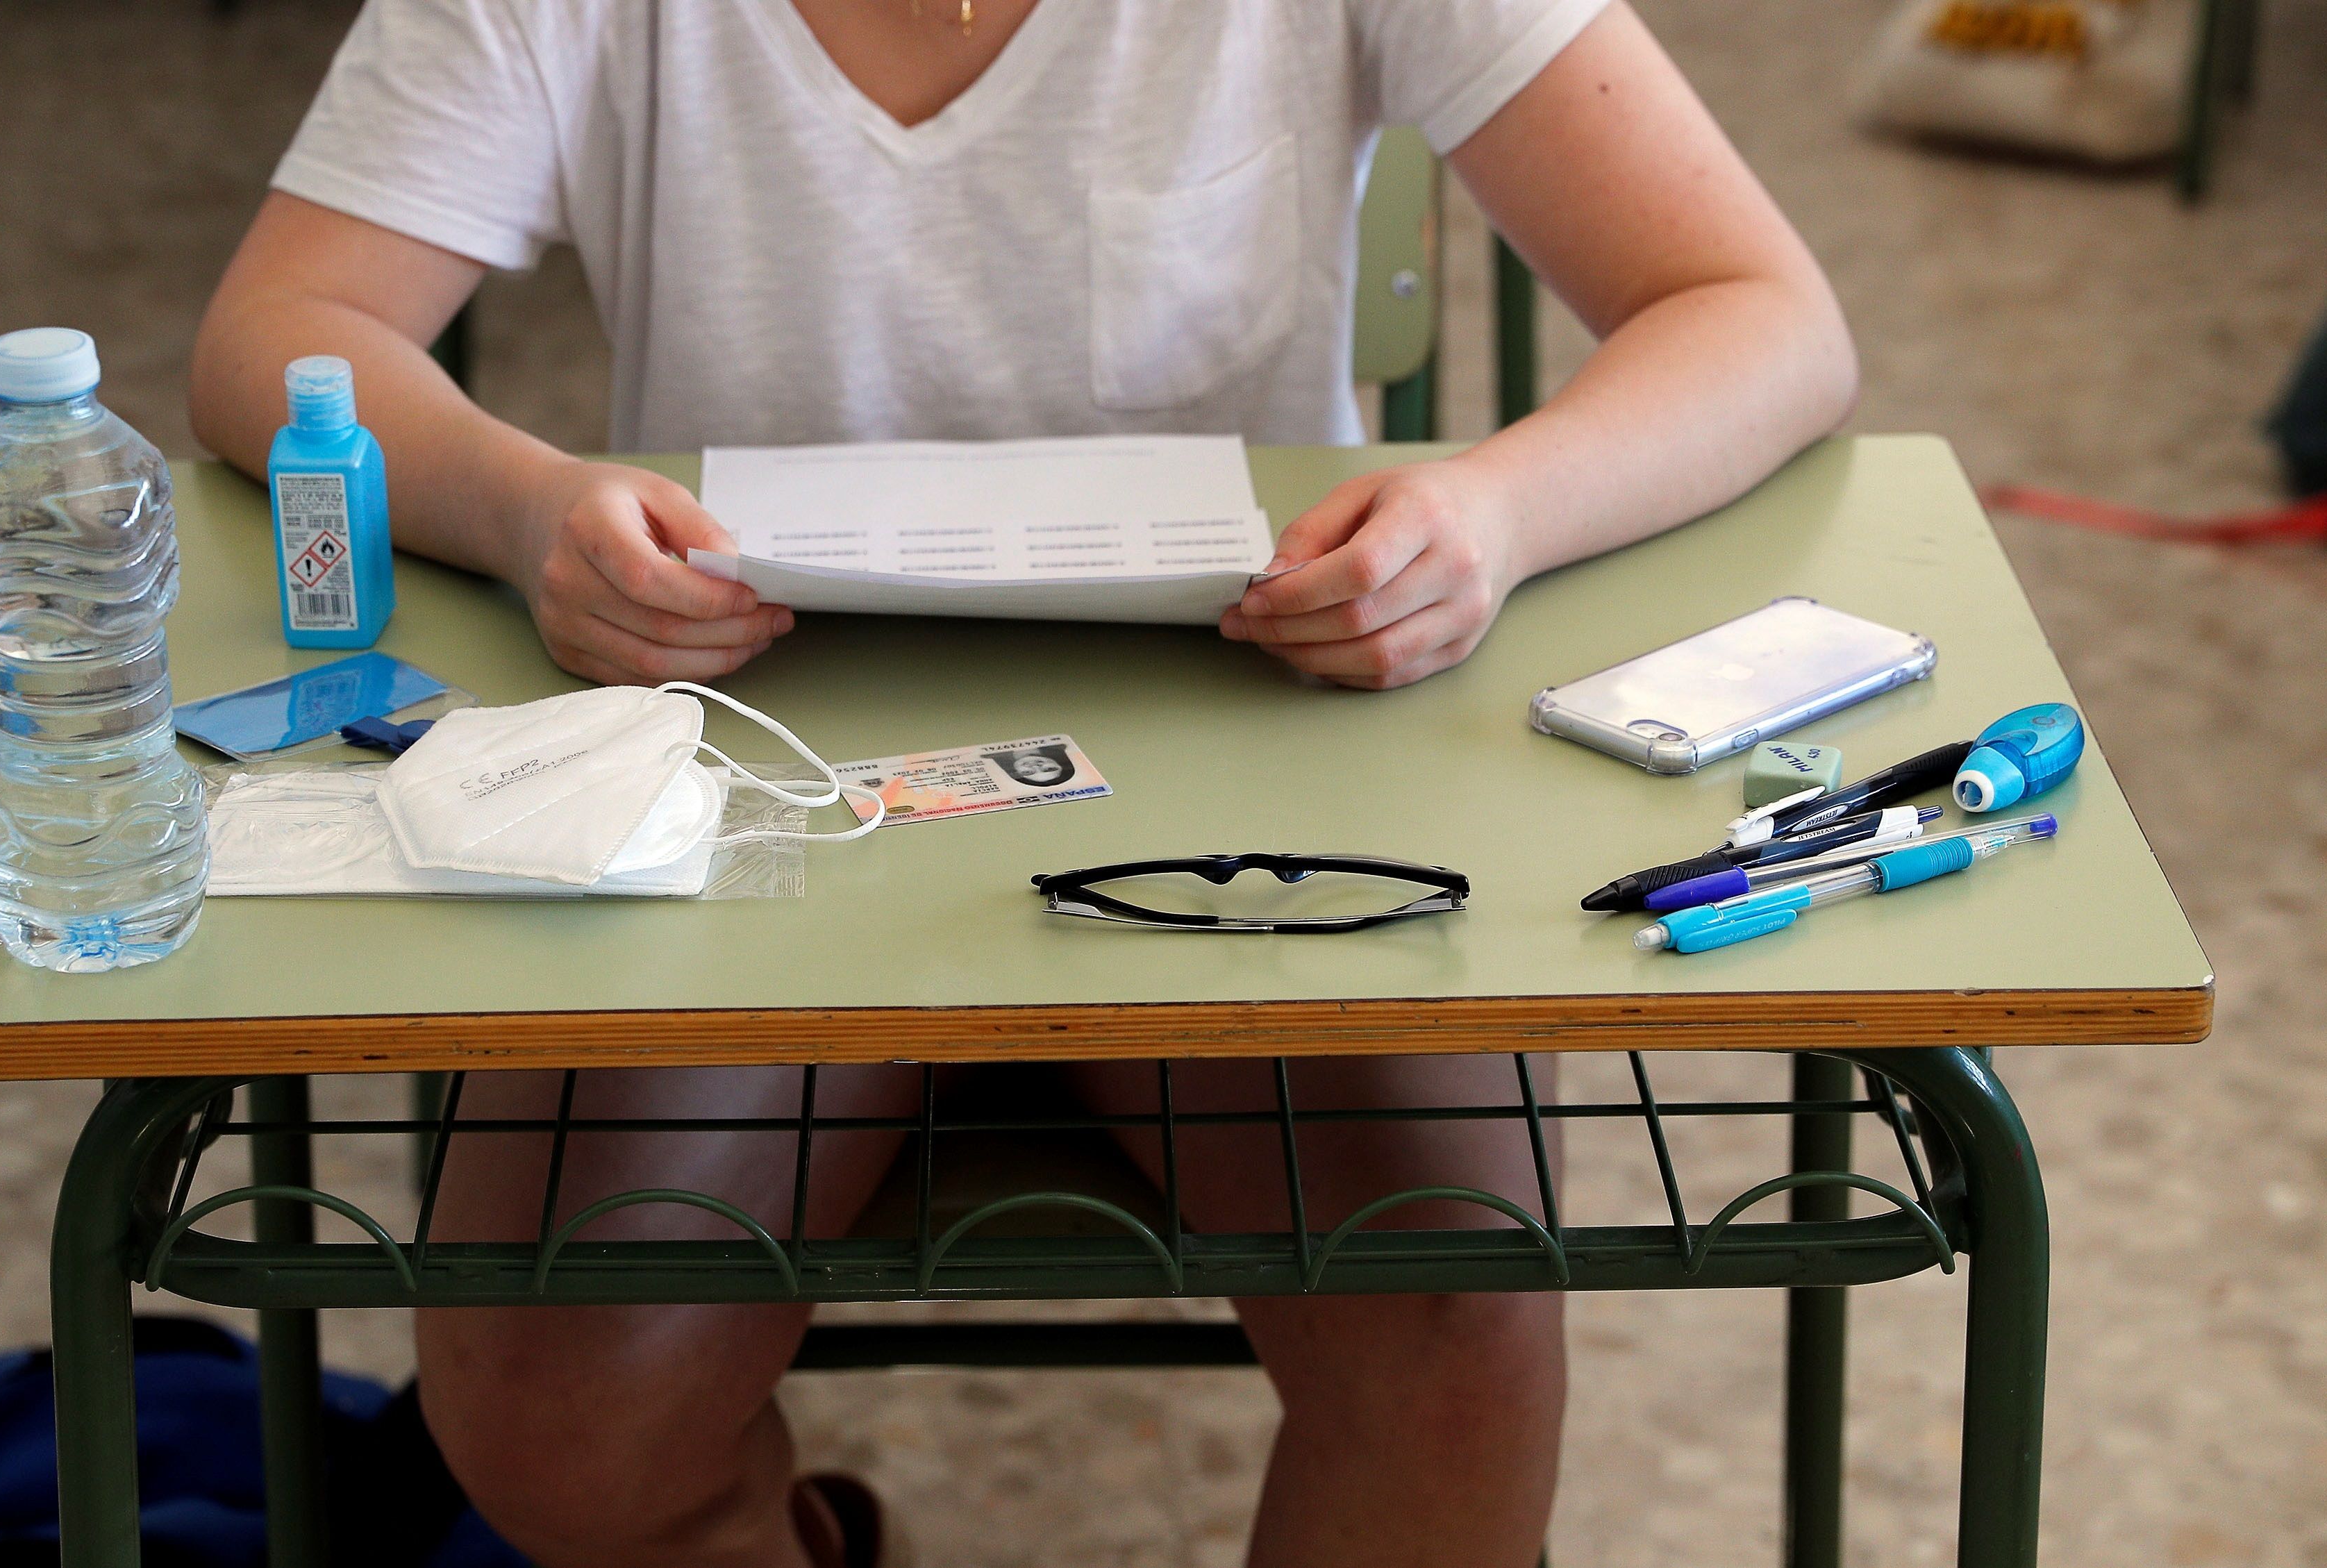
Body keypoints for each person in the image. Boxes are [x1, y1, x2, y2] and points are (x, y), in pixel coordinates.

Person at [189, 2, 1857, 1563]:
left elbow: (1757, 313)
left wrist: (1495, 509)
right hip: (762, 785)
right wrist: (524, 505)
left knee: (1455, 1338)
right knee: (554, 1397)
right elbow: (279, 332)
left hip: (1252, 771)